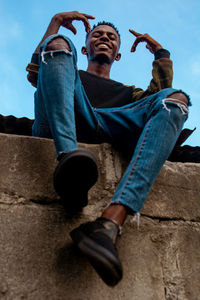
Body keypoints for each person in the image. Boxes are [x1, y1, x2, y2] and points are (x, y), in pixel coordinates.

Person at [26, 11, 190, 286]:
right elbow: (36, 71)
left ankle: (109, 223)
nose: (104, 38)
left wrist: (160, 53)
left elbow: (159, 101)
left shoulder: (130, 93)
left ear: (118, 54)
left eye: (111, 37)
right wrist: (55, 23)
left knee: (176, 100)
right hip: (61, 120)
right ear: (85, 47)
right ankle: (70, 164)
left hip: (107, 123)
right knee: (56, 44)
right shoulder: (67, 68)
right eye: (97, 34)